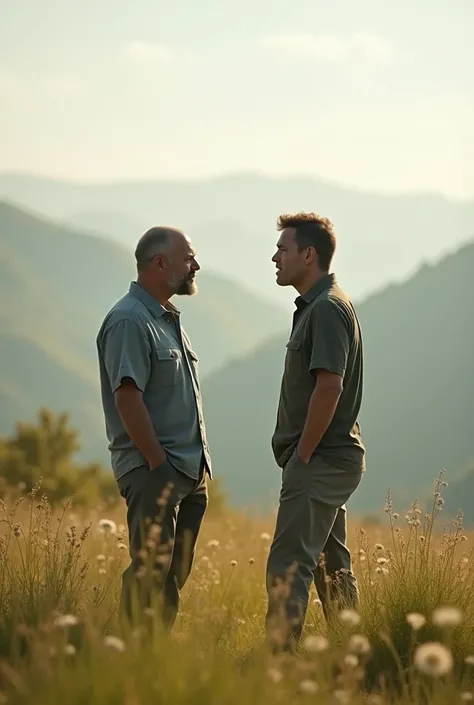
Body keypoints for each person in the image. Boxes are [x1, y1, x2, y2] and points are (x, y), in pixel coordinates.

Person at [96, 226, 212, 628]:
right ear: (160, 263)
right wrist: (158, 464)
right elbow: (127, 398)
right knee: (150, 572)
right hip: (155, 470)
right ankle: (131, 659)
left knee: (171, 576)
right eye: (188, 258)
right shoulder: (130, 320)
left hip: (188, 471)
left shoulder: (165, 318)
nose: (195, 265)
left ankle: (154, 659)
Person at [265, 211, 365, 650]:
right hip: (329, 458)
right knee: (330, 564)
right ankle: (351, 652)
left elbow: (330, 385)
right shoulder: (320, 305)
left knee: (288, 566)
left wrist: (303, 454)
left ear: (309, 255)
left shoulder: (325, 309)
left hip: (320, 459)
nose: (275, 257)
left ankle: (279, 664)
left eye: (283, 250)